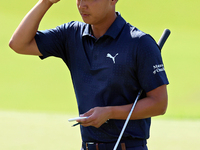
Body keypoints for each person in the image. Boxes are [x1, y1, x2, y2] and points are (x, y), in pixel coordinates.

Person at [9, 0, 169, 150]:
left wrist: (110, 112)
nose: (82, 5)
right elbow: (19, 44)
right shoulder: (71, 34)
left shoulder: (140, 43)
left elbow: (159, 103)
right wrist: (46, 2)